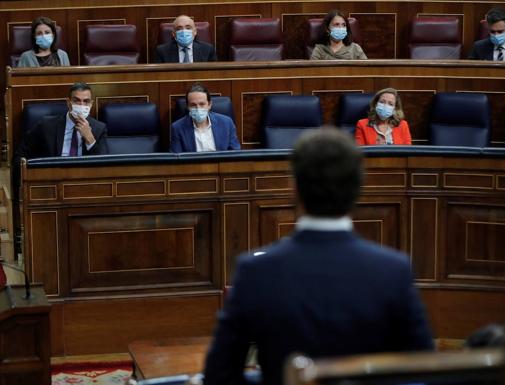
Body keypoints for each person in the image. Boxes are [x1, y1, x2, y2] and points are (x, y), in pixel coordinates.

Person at [203, 129, 433, 385]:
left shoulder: (255, 271)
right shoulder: (393, 271)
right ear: (357, 189)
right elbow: (421, 374)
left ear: (295, 187)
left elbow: (219, 376)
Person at [14, 82, 108, 160]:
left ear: (91, 104)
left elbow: (104, 163)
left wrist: (90, 138)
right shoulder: (47, 125)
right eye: (76, 100)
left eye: (86, 101)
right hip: (53, 178)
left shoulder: (98, 128)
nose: (81, 105)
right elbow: (20, 155)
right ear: (68, 103)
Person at [170, 83, 240, 153]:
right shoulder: (177, 128)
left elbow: (235, 154)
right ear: (188, 107)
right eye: (193, 105)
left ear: (209, 105)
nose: (198, 108)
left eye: (202, 104)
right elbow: (176, 160)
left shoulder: (226, 123)